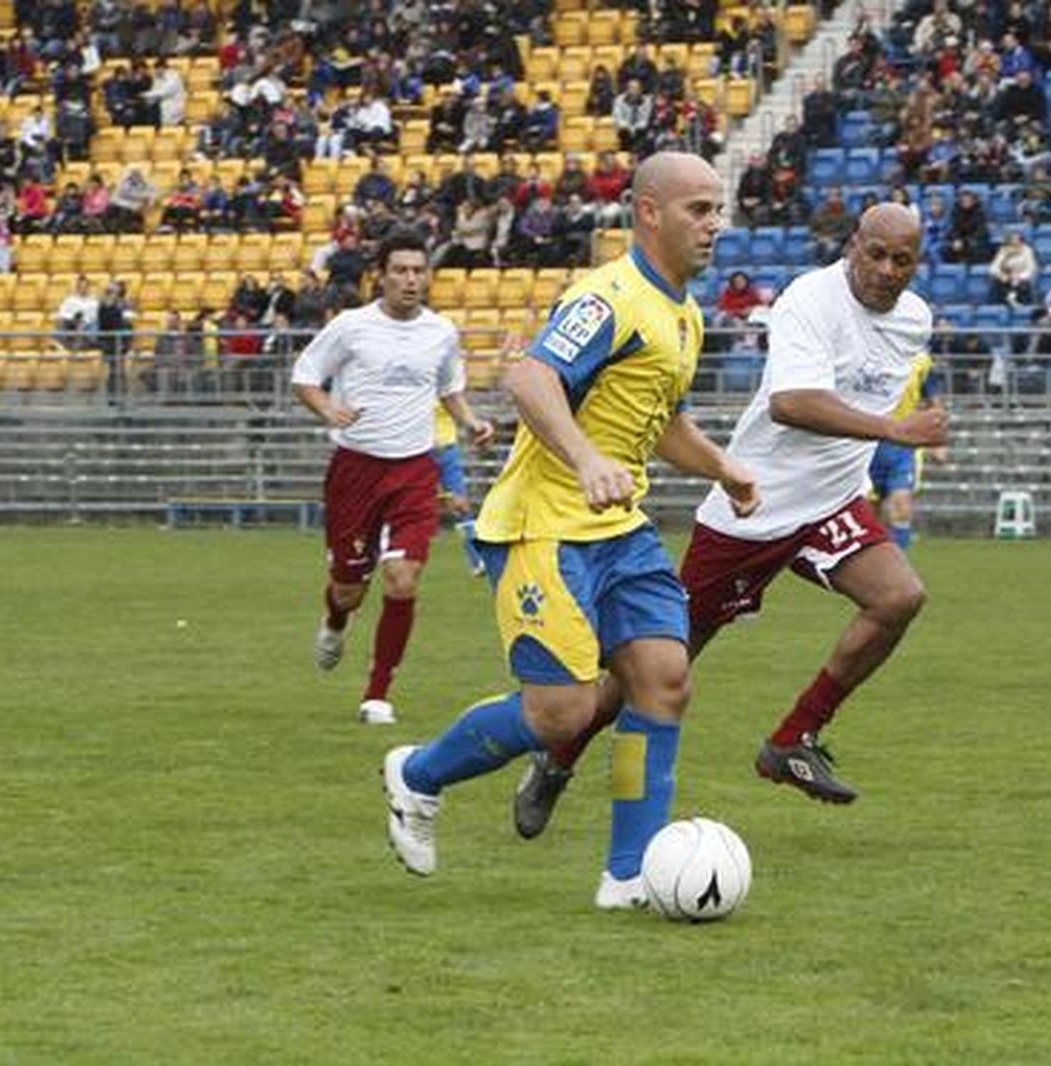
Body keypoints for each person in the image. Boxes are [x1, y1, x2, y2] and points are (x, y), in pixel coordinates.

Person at [380, 153, 759, 908]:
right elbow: (529, 377)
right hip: (543, 527)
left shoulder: (682, 313)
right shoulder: (609, 294)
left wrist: (723, 468)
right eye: (698, 209)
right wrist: (584, 460)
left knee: (662, 684)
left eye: (718, 209)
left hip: (619, 529)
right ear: (649, 212)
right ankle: (417, 775)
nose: (714, 224)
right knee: (564, 711)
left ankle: (628, 874)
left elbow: (658, 421)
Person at [510, 204, 949, 847]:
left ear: (917, 262)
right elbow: (791, 402)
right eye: (875, 253)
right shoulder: (810, 300)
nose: (885, 271)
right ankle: (559, 757)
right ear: (853, 246)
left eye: (901, 260)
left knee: (899, 596)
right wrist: (893, 431)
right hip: (754, 509)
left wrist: (889, 446)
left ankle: (792, 739)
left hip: (830, 504)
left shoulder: (915, 319)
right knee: (655, 671)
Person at [291, 228, 495, 726]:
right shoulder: (351, 327)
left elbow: (448, 386)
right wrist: (328, 409)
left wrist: (469, 423)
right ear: (379, 276)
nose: (410, 279)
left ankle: (377, 692)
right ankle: (336, 622)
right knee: (348, 589)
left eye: (417, 271)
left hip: (413, 470)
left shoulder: (440, 332)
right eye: (400, 270)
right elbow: (305, 375)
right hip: (355, 471)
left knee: (402, 580)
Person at [868, 352, 945, 552]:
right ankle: (873, 566)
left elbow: (933, 402)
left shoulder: (922, 360)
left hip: (903, 443)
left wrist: (938, 443)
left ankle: (899, 561)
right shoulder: (866, 349)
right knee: (868, 515)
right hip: (865, 441)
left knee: (901, 505)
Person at [431, 400, 486, 577]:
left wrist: (475, 427)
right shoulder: (414, 389)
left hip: (448, 452)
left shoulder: (449, 391)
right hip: (420, 452)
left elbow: (462, 413)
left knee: (461, 507)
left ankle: (477, 560)